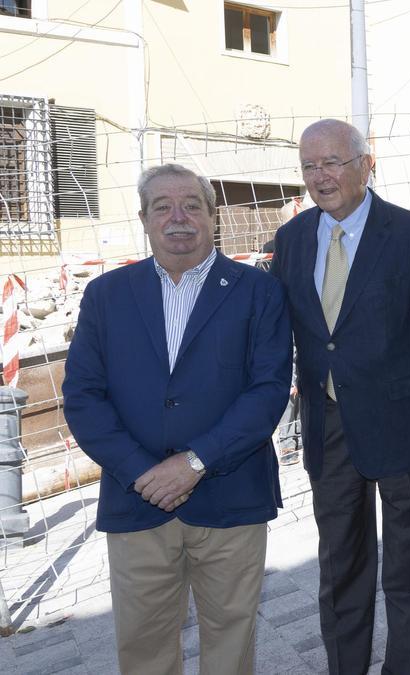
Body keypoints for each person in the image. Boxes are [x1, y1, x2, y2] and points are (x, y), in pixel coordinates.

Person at [63, 163, 291, 674]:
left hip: (231, 497)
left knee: (231, 645)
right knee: (142, 649)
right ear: (144, 219)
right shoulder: (106, 295)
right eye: (162, 207)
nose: (178, 217)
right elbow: (82, 396)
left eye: (192, 205)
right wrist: (144, 473)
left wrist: (194, 463)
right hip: (137, 500)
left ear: (214, 217)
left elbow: (267, 391)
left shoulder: (259, 292)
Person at [270, 119, 410, 674]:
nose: (321, 176)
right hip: (329, 430)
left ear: (365, 163)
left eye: (332, 162)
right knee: (341, 572)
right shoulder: (292, 238)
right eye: (310, 166)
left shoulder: (409, 235)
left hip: (405, 431)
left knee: (408, 573)